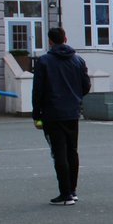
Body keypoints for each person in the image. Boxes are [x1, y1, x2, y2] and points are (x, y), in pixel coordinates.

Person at [32, 28, 90, 206]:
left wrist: (36, 113)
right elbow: (86, 85)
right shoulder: (78, 60)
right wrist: (75, 98)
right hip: (72, 111)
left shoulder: (44, 61)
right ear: (65, 38)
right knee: (72, 151)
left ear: (50, 41)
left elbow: (38, 90)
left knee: (59, 153)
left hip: (53, 112)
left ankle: (65, 193)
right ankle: (72, 190)